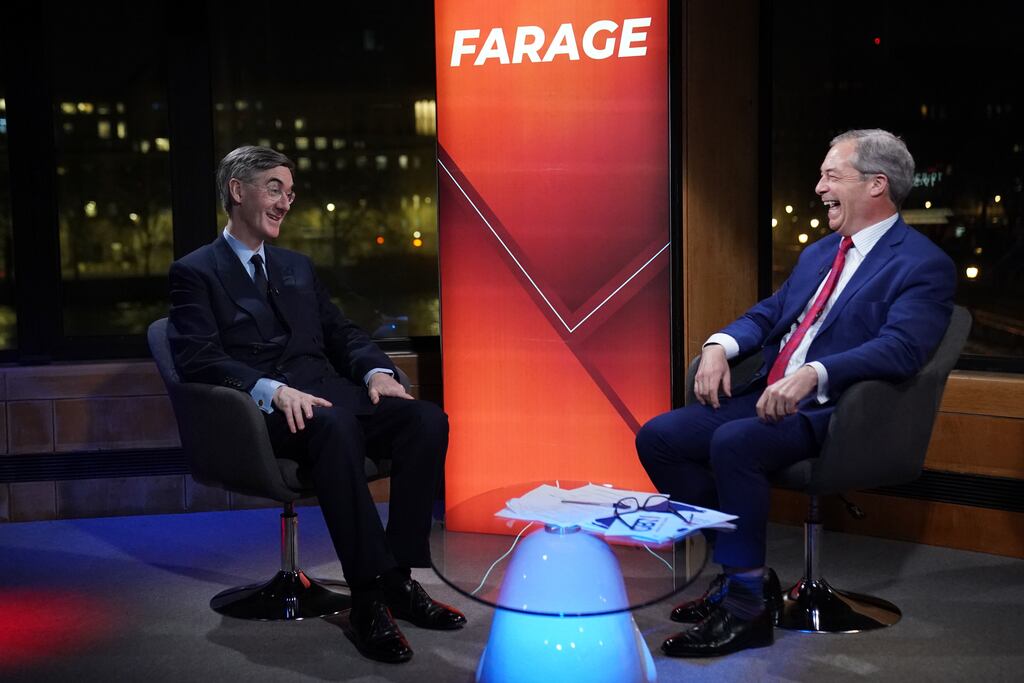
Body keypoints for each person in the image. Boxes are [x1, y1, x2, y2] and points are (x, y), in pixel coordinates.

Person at [636, 129, 955, 657]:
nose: (819, 186)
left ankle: (746, 611)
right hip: (768, 394)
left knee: (735, 443)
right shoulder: (820, 253)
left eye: (832, 175)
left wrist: (817, 372)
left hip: (839, 412)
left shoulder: (922, 263)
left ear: (877, 185)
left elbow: (902, 349)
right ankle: (747, 575)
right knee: (661, 437)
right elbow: (770, 313)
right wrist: (719, 346)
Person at [168, 145, 465, 664]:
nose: (287, 202)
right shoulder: (197, 272)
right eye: (275, 188)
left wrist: (375, 370)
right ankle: (369, 597)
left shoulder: (296, 266)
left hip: (329, 391)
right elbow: (197, 358)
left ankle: (397, 576)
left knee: (425, 419)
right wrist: (269, 389)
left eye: (290, 191)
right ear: (238, 192)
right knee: (334, 428)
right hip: (268, 414)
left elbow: (342, 333)